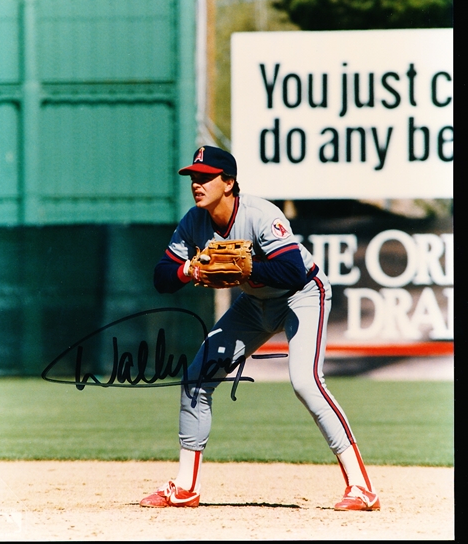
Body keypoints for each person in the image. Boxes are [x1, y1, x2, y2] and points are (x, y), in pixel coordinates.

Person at [140, 145, 380, 511]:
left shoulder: (261, 214)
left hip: (301, 296)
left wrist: (246, 267)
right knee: (195, 378)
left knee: (306, 382)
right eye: (193, 177)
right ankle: (186, 487)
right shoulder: (193, 221)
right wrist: (188, 270)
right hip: (254, 304)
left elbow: (293, 271)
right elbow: (161, 277)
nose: (196, 184)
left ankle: (362, 488)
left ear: (229, 182)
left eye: (205, 177)